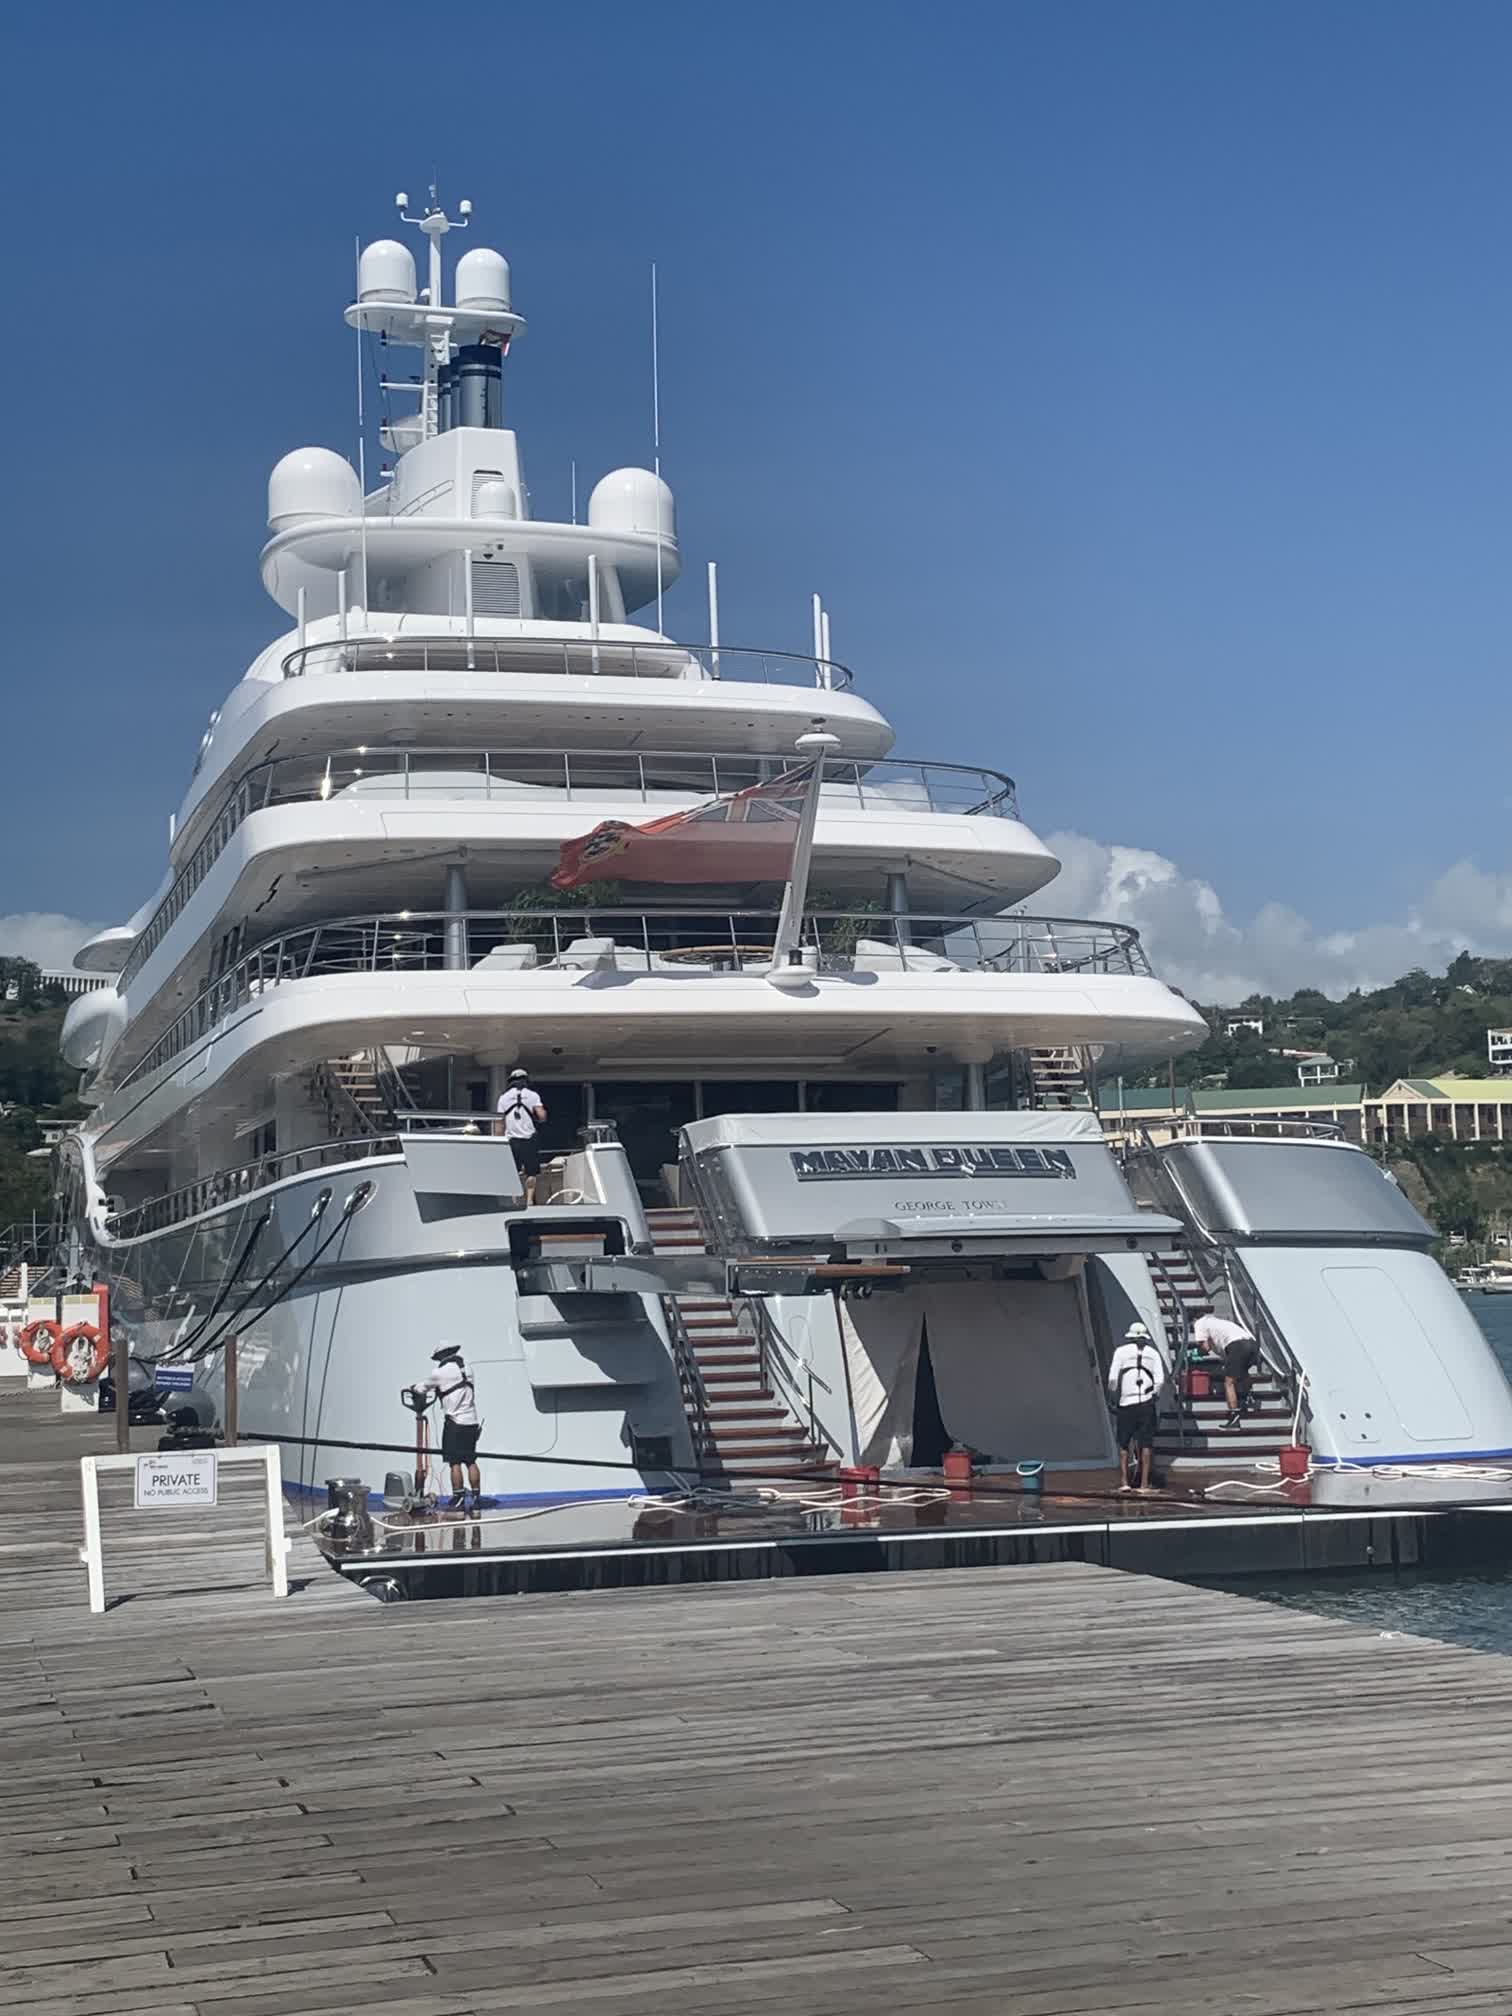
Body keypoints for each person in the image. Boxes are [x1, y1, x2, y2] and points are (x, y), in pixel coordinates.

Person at [418, 1343, 483, 1512]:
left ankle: (458, 1497)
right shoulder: (467, 1368)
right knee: (471, 1461)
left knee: (454, 1463)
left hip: (455, 1422)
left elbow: (422, 1388)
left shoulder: (440, 1372)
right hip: (472, 1421)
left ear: (441, 1356)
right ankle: (476, 1498)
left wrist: (413, 1389)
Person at [1106, 1321, 1166, 1493]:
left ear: (1130, 1336)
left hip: (1126, 1403)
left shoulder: (1121, 1352)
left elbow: (1112, 1378)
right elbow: (1160, 1380)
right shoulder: (1153, 1354)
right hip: (1146, 1403)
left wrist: (1112, 1396)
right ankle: (1144, 1484)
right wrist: (1154, 1394)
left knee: (1124, 1443)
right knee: (1146, 1443)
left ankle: (1124, 1482)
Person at [1191, 1310, 1262, 1430]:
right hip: (1252, 1344)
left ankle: (1234, 1418)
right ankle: (1249, 1397)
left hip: (1237, 1346)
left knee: (1229, 1382)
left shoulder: (1199, 1323)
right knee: (1243, 1371)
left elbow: (1205, 1347)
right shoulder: (1215, 1322)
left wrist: (1195, 1353)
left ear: (1193, 1320)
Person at [495, 1067, 547, 1204]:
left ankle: (514, 1201)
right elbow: (541, 1116)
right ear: (526, 1081)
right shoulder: (533, 1095)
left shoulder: (503, 1098)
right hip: (529, 1138)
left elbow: (499, 1123)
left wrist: (498, 1140)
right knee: (531, 1172)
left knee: (513, 1172)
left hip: (512, 1140)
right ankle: (529, 1200)